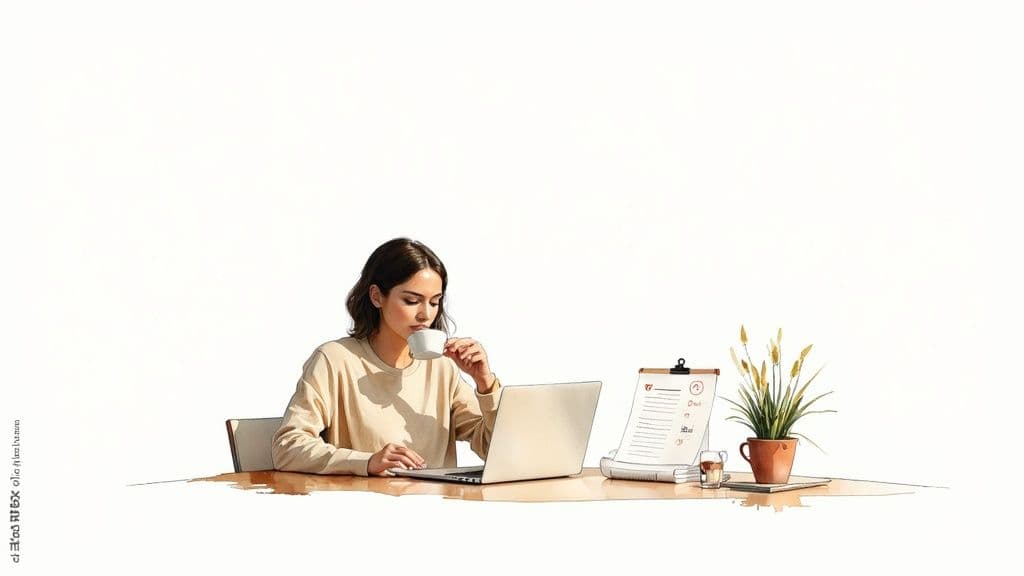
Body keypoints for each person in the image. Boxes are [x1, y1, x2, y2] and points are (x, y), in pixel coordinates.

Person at [271, 238, 502, 476]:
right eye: (411, 301)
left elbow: (496, 451)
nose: (425, 314)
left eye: (434, 302)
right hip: (365, 506)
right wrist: (366, 462)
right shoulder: (335, 360)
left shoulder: (443, 369)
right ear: (376, 296)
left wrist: (485, 384)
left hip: (436, 507)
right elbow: (288, 447)